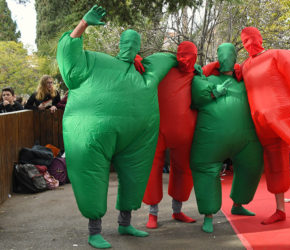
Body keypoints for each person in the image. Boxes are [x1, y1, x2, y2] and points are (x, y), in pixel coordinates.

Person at [56, 5, 177, 249]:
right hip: (93, 133)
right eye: (127, 42)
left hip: (137, 136)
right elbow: (70, 56)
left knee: (135, 176)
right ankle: (94, 231)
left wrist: (191, 64)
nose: (131, 47)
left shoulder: (146, 72)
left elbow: (172, 59)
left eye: (136, 43)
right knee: (91, 176)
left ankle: (125, 222)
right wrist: (83, 24)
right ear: (121, 44)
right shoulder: (96, 62)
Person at [239, 27, 290, 225]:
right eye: (245, 41)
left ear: (261, 38)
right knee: (274, 163)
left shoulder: (276, 55)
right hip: (263, 122)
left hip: (287, 118)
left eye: (252, 39)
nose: (250, 44)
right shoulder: (246, 66)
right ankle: (279, 209)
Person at [190, 43, 263, 233]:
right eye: (223, 56)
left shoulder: (244, 80)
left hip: (245, 139)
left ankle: (238, 204)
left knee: (252, 167)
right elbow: (197, 97)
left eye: (230, 56)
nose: (226, 60)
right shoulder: (207, 78)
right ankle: (208, 215)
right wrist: (210, 87)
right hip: (211, 139)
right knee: (206, 171)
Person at [142, 41, 198, 229]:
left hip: (183, 133)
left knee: (183, 170)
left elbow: (215, 73)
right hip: (158, 130)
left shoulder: (195, 73)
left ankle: (177, 210)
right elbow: (141, 66)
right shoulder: (163, 65)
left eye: (191, 58)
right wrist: (132, 57)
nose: (186, 62)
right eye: (183, 57)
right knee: (152, 169)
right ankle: (153, 213)